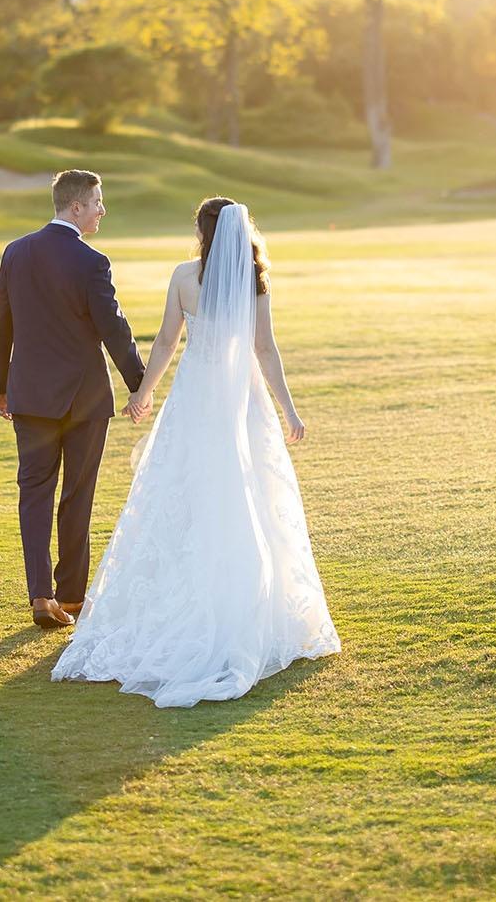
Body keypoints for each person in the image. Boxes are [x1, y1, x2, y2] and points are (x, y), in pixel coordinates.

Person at [52, 196, 340, 706]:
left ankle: (181, 601)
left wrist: (144, 394)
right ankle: (247, 605)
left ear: (203, 234)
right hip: (243, 399)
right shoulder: (255, 281)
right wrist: (289, 412)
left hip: (196, 394)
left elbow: (165, 342)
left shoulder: (186, 276)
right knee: (248, 493)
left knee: (184, 490)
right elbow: (265, 351)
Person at [0, 169, 146, 630]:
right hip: (84, 401)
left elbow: (0, 323)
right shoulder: (91, 261)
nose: (102, 209)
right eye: (97, 201)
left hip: (30, 397)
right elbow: (113, 329)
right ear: (75, 206)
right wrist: (138, 383)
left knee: (33, 495)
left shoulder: (15, 253)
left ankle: (41, 595)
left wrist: (1, 385)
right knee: (77, 497)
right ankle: (72, 598)